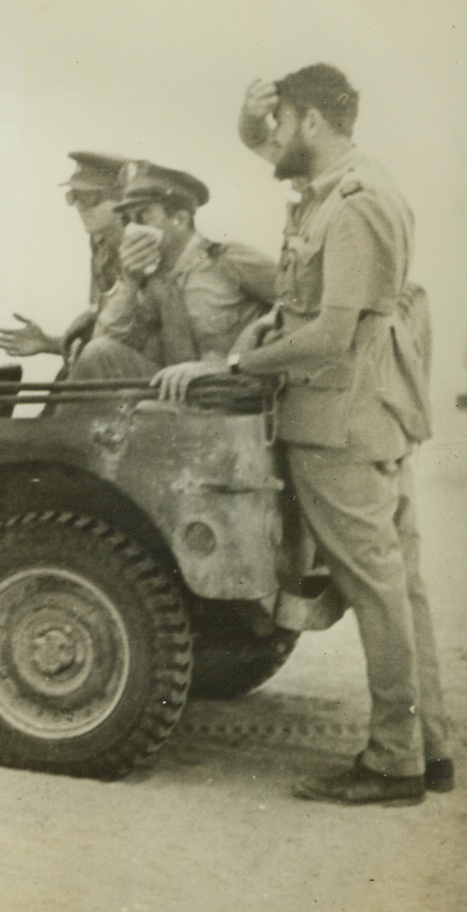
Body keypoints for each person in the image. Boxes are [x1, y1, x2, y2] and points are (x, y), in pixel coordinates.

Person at [155, 64, 453, 805]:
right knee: (399, 586)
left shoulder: (352, 205)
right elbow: (278, 161)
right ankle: (430, 746)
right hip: (371, 413)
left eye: (282, 122)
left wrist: (230, 363)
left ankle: (394, 762)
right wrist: (247, 119)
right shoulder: (343, 185)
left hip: (339, 422)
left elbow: (326, 336)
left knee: (378, 589)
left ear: (312, 123)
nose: (274, 139)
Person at [68, 161, 276, 381]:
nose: (132, 228)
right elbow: (106, 345)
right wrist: (129, 283)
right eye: (127, 219)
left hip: (233, 392)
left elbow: (298, 302)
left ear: (180, 219)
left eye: (144, 215)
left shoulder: (227, 259)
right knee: (99, 353)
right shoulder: (153, 283)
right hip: (177, 396)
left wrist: (259, 329)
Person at [0, 152, 127, 370]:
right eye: (73, 196)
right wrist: (48, 343)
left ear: (122, 198)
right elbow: (100, 330)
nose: (79, 206)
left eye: (90, 198)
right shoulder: (100, 244)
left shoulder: (148, 252)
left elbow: (130, 342)